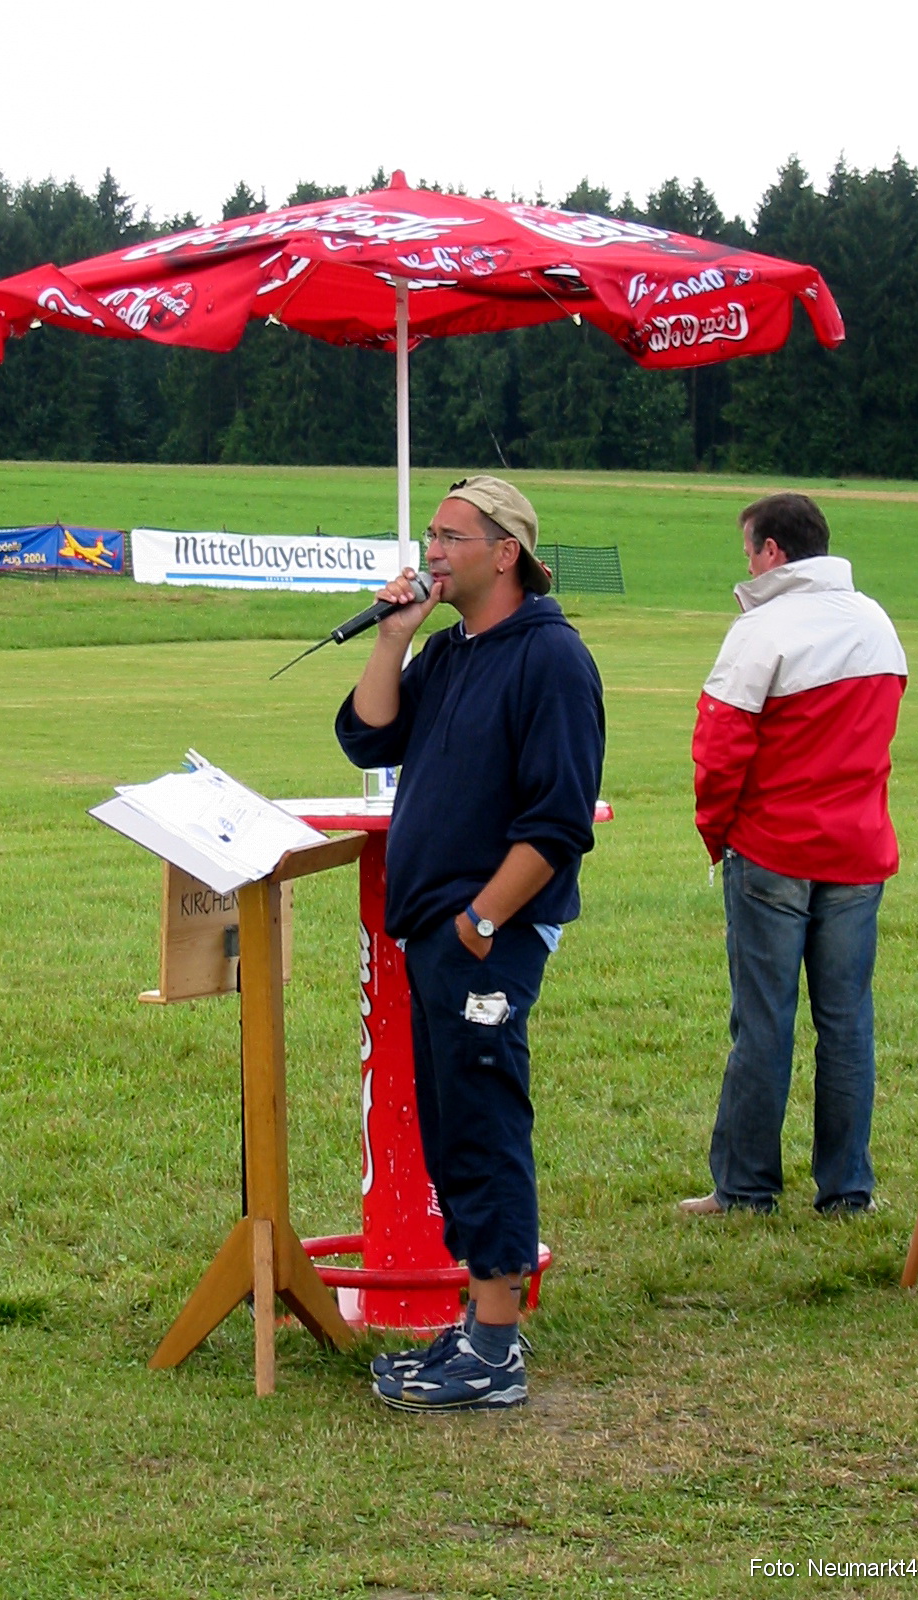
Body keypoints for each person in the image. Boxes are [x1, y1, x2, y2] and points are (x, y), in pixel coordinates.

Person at [334, 475, 604, 1411]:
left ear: (507, 552)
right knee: (454, 1128)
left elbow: (559, 823)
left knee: (486, 1128)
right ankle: (475, 1325)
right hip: (439, 937)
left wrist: (481, 921)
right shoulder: (451, 654)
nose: (433, 552)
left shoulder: (553, 661)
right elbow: (369, 740)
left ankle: (495, 1350)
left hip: (487, 936)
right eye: (430, 537)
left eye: (452, 537)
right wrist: (393, 637)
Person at [681, 493, 907, 1218]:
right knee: (846, 1021)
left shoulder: (761, 630)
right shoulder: (875, 621)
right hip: (858, 848)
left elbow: (719, 751)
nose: (746, 561)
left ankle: (745, 1186)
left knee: (764, 1020)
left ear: (772, 552)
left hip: (773, 848)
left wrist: (716, 833)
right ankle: (847, 1188)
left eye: (749, 549)